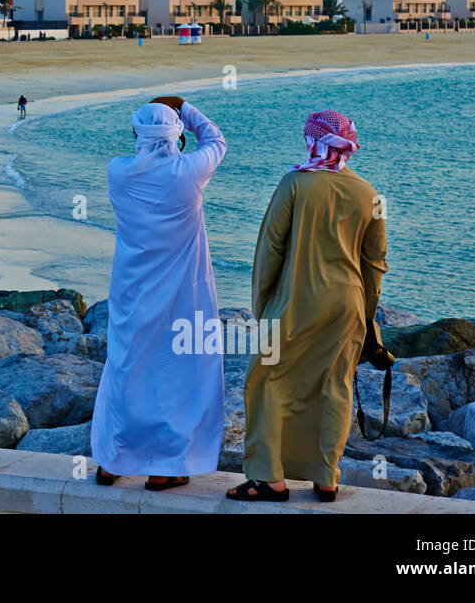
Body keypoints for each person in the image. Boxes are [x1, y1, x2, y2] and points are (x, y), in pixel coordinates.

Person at [229, 110, 387, 503]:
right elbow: (376, 263)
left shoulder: (294, 184)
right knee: (335, 385)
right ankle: (326, 478)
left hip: (294, 301)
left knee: (264, 379)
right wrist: (367, 316)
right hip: (347, 305)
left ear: (312, 140)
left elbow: (270, 248)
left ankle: (269, 478)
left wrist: (262, 304)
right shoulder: (371, 195)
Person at [91, 97, 227, 491]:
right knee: (176, 372)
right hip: (182, 291)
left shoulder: (118, 171)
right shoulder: (186, 173)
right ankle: (167, 466)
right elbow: (216, 140)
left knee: (127, 367)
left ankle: (114, 461)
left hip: (131, 287)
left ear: (136, 134)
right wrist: (183, 106)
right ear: (176, 137)